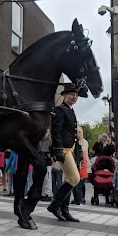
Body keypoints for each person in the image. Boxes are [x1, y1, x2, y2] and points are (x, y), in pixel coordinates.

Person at [47, 83, 82, 222]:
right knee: (74, 178)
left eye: (76, 95)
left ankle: (64, 209)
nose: (74, 97)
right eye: (71, 94)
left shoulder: (70, 110)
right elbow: (56, 132)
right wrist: (58, 149)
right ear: (64, 95)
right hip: (64, 149)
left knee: (68, 179)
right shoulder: (60, 109)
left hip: (71, 148)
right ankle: (55, 205)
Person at [33, 128, 53, 201]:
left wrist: (48, 155)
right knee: (40, 178)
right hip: (40, 160)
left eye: (47, 131)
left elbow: (52, 150)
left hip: (47, 161)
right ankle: (42, 193)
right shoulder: (39, 140)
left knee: (47, 178)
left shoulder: (50, 140)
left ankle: (48, 194)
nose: (46, 133)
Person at [72, 126, 90, 204]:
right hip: (75, 163)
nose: (78, 134)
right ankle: (76, 198)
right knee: (74, 182)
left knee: (81, 183)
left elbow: (82, 151)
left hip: (83, 164)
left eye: (80, 132)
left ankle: (81, 198)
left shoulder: (84, 142)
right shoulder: (73, 141)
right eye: (77, 132)